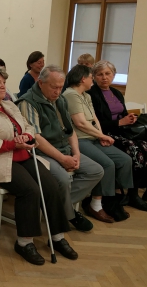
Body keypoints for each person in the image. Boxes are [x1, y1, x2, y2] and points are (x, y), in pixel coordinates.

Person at [0, 67, 77, 265]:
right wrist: (14, 144)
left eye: (3, 82)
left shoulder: (9, 105)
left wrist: (25, 136)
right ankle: (24, 243)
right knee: (30, 190)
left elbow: (29, 127)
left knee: (51, 185)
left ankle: (57, 237)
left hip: (21, 154)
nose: (3, 86)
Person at [17, 65, 104, 233]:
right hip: (41, 153)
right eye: (54, 87)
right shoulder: (28, 102)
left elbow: (70, 131)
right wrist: (63, 159)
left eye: (60, 87)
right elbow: (36, 138)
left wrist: (76, 154)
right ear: (41, 83)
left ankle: (57, 205)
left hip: (64, 148)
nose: (58, 91)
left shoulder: (60, 100)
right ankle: (69, 215)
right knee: (63, 179)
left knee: (96, 171)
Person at [88, 60, 147, 208]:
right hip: (106, 133)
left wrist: (129, 118)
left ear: (113, 75)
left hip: (123, 130)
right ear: (94, 77)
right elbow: (93, 123)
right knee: (136, 150)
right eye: (100, 74)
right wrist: (119, 122)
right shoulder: (91, 94)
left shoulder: (116, 93)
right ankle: (133, 194)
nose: (104, 77)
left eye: (108, 73)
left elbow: (122, 113)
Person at [63, 64, 134, 222]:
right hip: (80, 139)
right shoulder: (71, 95)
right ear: (83, 79)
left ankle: (114, 199)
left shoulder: (85, 95)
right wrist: (101, 135)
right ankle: (95, 204)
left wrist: (101, 136)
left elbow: (94, 119)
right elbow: (81, 123)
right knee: (107, 164)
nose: (93, 80)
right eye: (91, 77)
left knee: (125, 160)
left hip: (92, 137)